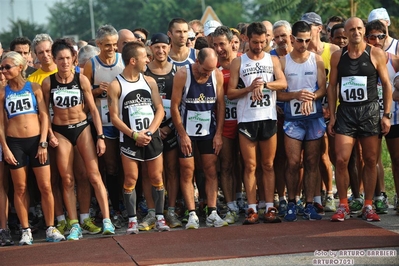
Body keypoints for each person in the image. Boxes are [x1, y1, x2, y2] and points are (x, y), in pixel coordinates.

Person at [42, 38, 115, 240]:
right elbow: (44, 113)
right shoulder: (48, 82)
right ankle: (74, 224)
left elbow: (93, 109)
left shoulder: (80, 79)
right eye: (60, 59)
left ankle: (106, 220)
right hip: (61, 131)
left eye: (67, 58)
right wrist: (49, 135)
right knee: (67, 179)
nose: (64, 62)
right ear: (55, 60)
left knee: (93, 175)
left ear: (73, 59)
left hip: (82, 128)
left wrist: (100, 136)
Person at [327, 17, 392, 222]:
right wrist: (332, 114)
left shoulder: (375, 53)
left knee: (371, 160)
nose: (355, 32)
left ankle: (368, 205)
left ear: (363, 30)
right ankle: (344, 205)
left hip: (369, 112)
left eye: (359, 28)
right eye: (351, 29)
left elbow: (387, 85)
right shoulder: (338, 56)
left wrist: (386, 115)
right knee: (341, 159)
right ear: (345, 33)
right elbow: (332, 86)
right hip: (346, 112)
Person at [0, 52, 65, 245]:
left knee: (45, 186)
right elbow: (1, 125)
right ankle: (25, 229)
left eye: (7, 67)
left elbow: (44, 116)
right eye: (1, 68)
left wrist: (43, 142)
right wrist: (6, 148)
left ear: (20, 67)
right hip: (15, 144)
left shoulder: (34, 88)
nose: (3, 71)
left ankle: (51, 227)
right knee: (20, 188)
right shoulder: (3, 93)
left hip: (37, 141)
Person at [227, 22, 287, 224]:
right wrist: (249, 88)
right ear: (247, 39)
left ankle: (270, 206)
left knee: (268, 164)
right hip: (247, 119)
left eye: (263, 42)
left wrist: (265, 85)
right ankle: (252, 208)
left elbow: (283, 83)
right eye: (255, 42)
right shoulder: (239, 62)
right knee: (250, 165)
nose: (259, 45)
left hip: (268, 117)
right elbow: (231, 93)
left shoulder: (272, 59)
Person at [108, 41, 170, 234]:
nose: (148, 60)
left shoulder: (149, 81)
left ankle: (160, 217)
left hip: (151, 137)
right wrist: (134, 134)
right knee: (131, 178)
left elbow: (159, 109)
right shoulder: (115, 84)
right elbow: (114, 117)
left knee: (156, 176)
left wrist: (150, 131)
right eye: (145, 57)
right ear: (133, 60)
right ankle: (132, 220)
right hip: (129, 139)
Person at [171, 48, 227, 229]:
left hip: (207, 130)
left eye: (211, 70)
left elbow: (220, 105)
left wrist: (218, 134)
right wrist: (182, 134)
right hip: (186, 129)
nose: (207, 73)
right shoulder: (182, 74)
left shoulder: (216, 75)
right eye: (205, 70)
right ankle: (192, 213)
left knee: (210, 169)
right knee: (187, 170)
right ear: (197, 62)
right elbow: (174, 106)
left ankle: (212, 212)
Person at [277, 21, 326, 221]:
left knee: (312, 161)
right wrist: (296, 95)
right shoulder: (282, 62)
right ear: (291, 39)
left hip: (314, 117)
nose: (303, 44)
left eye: (307, 40)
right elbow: (279, 94)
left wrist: (311, 97)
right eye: (299, 40)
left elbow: (323, 88)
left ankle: (309, 204)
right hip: (292, 119)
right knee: (293, 162)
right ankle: (291, 202)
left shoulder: (317, 60)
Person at [83, 25, 125, 227]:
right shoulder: (92, 64)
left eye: (114, 44)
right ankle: (111, 207)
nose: (112, 48)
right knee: (110, 166)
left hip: (123, 121)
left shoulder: (122, 61)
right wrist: (98, 90)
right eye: (107, 45)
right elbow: (84, 94)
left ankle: (125, 205)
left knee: (126, 166)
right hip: (103, 123)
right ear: (98, 44)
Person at [144, 33, 182, 228]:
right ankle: (152, 212)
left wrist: (169, 126)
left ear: (169, 47)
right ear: (150, 48)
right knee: (150, 173)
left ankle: (172, 210)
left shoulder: (178, 71)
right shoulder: (144, 73)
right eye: (156, 47)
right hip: (150, 129)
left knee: (172, 170)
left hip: (172, 128)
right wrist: (155, 128)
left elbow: (182, 104)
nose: (160, 51)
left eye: (163, 47)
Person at [365, 20, 399, 214]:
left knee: (396, 159)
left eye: (381, 36)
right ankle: (377, 198)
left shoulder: (393, 59)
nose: (376, 40)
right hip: (370, 117)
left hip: (393, 117)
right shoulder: (360, 59)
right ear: (366, 38)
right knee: (372, 159)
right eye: (372, 36)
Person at [212, 26, 240, 224]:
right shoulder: (211, 67)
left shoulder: (244, 62)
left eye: (222, 44)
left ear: (232, 43)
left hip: (247, 121)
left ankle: (257, 203)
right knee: (227, 165)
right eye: (215, 45)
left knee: (250, 165)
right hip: (225, 124)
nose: (219, 49)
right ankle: (231, 206)